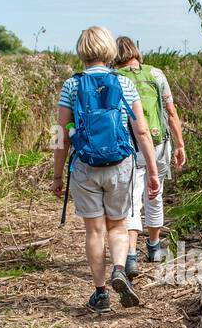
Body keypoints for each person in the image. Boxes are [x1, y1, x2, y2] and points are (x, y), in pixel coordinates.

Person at [52, 26, 161, 313]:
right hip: (121, 165)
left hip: (85, 166)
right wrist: (151, 170)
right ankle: (119, 271)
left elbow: (60, 133)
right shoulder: (124, 83)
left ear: (81, 51)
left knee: (94, 231)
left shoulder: (71, 85)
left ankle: (100, 294)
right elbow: (141, 130)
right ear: (110, 51)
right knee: (118, 225)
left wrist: (57, 173)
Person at [113, 36, 186, 276]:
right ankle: (154, 248)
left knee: (131, 200)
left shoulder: (114, 78)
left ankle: (131, 255)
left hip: (128, 147)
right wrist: (179, 144)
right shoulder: (156, 74)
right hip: (158, 144)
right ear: (136, 52)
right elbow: (171, 111)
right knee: (155, 195)